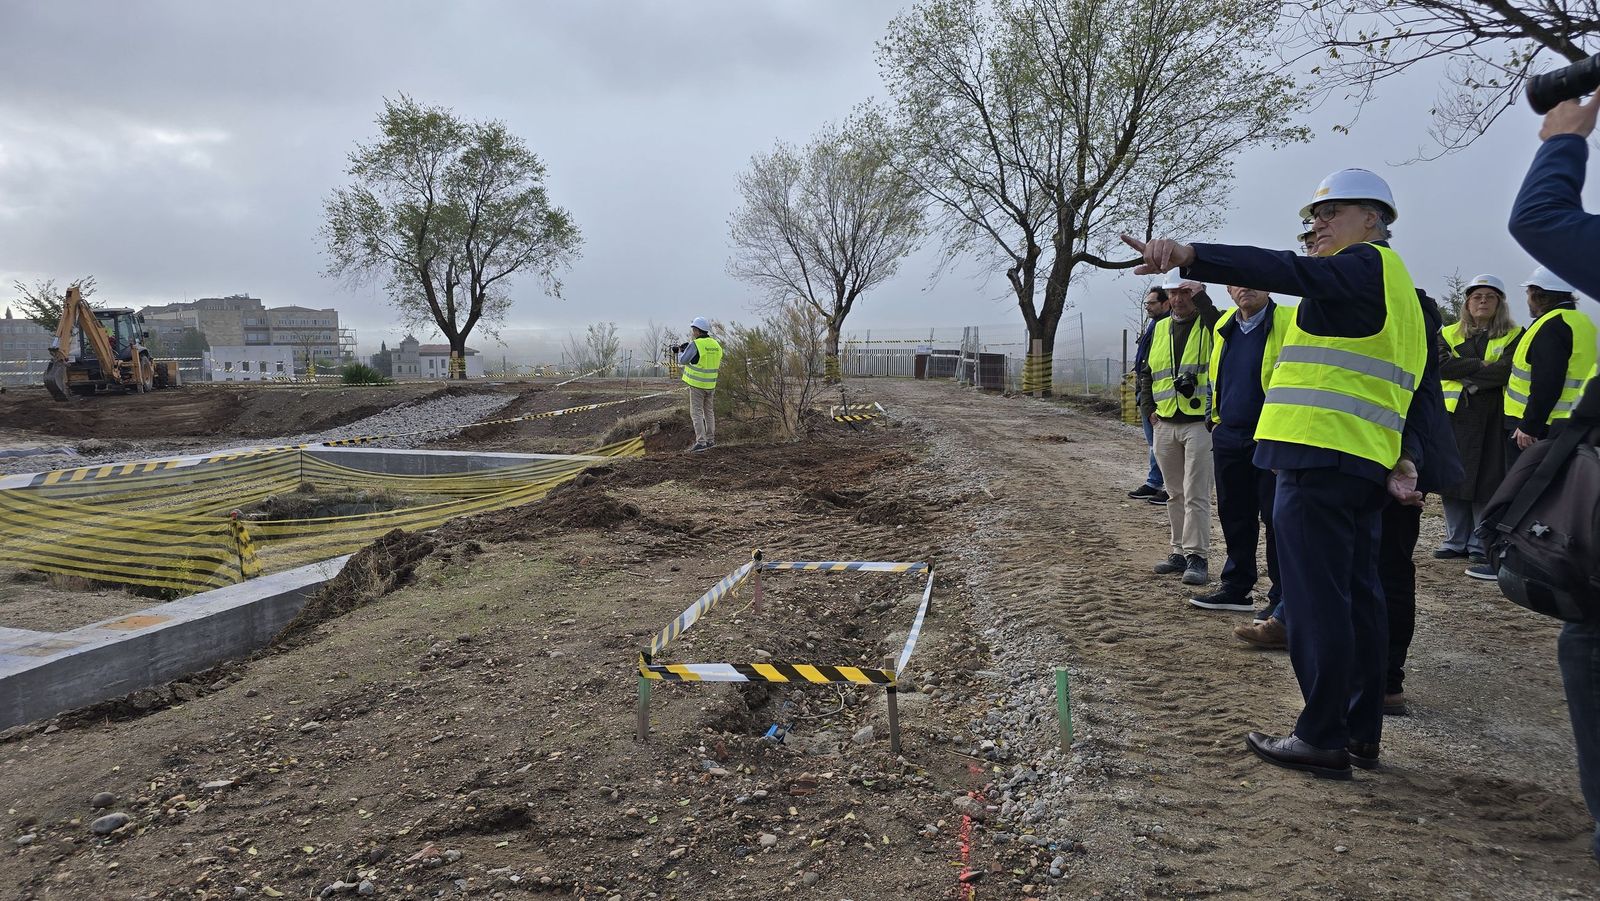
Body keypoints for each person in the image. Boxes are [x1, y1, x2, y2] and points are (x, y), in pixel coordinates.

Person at [1123, 166, 1443, 781]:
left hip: (1317, 458)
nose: (1315, 224)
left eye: (1332, 213)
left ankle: (1321, 735)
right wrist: (1406, 457)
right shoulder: (1395, 286)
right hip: (1356, 461)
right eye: (1312, 217)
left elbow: (1286, 271)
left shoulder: (1363, 265)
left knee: (1320, 602)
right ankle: (1357, 733)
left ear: (1373, 219)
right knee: (1356, 599)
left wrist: (1190, 254)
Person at [1505, 87, 1600, 867]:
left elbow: (1540, 218)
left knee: (1588, 645)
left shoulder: (1560, 325)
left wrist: (1566, 136)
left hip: (1557, 451)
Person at [1190, 284, 1293, 617]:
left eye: (1253, 280)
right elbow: (1215, 378)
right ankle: (1237, 587)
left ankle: (1281, 598)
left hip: (1272, 438)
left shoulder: (1291, 322)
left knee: (1277, 520)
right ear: (1229, 291)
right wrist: (1213, 419)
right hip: (1229, 435)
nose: (1245, 288)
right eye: (1236, 283)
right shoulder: (1226, 327)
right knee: (1234, 514)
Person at [1433, 275, 1522, 567]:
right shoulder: (1447, 332)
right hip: (1455, 415)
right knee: (1453, 479)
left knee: (1486, 480)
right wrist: (1481, 366)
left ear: (1499, 303)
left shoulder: (1514, 334)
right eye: (1476, 296)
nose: (1482, 301)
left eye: (1489, 296)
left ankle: (1479, 543)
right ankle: (1455, 540)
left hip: (1493, 415)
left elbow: (1505, 371)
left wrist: (1467, 373)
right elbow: (1440, 365)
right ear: (1467, 303)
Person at [1139, 275, 1220, 587]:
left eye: (1185, 292)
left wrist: (1204, 300)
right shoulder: (1159, 328)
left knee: (1197, 493)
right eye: (1173, 292)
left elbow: (1221, 331)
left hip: (1200, 422)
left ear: (1196, 292)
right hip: (1165, 422)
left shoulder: (1212, 323)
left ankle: (1197, 556)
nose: (1178, 299)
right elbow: (1146, 372)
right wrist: (1149, 409)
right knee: (1174, 492)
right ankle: (1178, 552)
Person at [1128, 287, 1171, 504]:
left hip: (1160, 397)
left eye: (1152, 303)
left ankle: (1169, 487)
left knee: (1163, 445)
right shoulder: (1154, 325)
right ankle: (1154, 483)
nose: (1148, 308)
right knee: (1155, 444)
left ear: (1166, 303)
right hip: (1146, 392)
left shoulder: (1168, 326)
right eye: (1146, 304)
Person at [677, 317, 723, 453]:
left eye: (693, 330)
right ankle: (710, 441)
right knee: (709, 412)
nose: (693, 332)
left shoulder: (696, 344)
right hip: (711, 384)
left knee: (696, 413)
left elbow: (683, 360)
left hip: (697, 385)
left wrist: (680, 351)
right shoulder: (716, 345)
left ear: (697, 330)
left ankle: (701, 442)